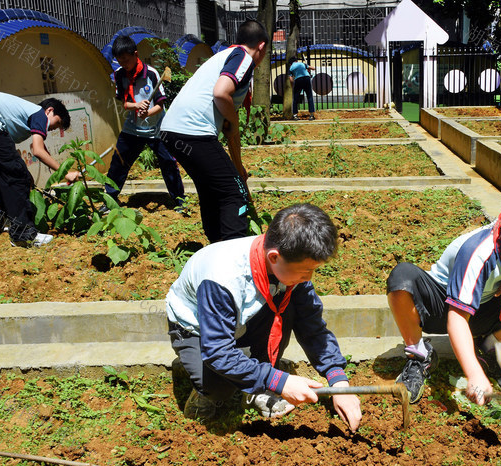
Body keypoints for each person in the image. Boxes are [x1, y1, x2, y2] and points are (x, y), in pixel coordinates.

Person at [166, 203, 362, 431]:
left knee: (292, 305)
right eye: (305, 270)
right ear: (274, 257)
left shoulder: (287, 265)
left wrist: (339, 380)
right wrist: (280, 381)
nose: (309, 277)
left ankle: (258, 379)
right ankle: (208, 381)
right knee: (220, 385)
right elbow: (218, 351)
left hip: (242, 318)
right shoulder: (223, 278)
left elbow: (313, 327)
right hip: (196, 328)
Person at [385, 177, 501, 405]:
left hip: (480, 308)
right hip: (442, 307)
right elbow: (456, 318)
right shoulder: (477, 252)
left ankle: (488, 347)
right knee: (402, 278)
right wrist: (473, 374)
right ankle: (419, 355)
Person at [159, 20, 268, 243]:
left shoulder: (222, 58)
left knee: (212, 190)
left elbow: (230, 131)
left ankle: (216, 245)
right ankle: (232, 251)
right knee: (233, 194)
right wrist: (234, 118)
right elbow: (221, 94)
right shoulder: (243, 58)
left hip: (172, 132)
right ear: (262, 47)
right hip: (193, 131)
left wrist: (239, 169)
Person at [0, 92, 80, 248]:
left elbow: (32, 148)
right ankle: (23, 234)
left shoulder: (26, 114)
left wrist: (25, 173)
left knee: (4, 173)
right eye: (56, 123)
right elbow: (37, 150)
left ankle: (9, 223)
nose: (52, 129)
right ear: (49, 111)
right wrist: (66, 173)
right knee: (17, 175)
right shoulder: (39, 114)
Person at [103, 36, 186, 211]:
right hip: (132, 129)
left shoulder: (152, 74)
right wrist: (137, 106)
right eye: (120, 61)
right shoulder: (119, 75)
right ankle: (109, 200)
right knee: (119, 163)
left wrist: (147, 112)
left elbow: (160, 104)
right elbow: (124, 103)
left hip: (157, 129)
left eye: (126, 60)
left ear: (135, 54)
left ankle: (179, 200)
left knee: (168, 163)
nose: (124, 64)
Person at [287, 55, 316, 120]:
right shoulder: (302, 64)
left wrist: (292, 86)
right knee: (309, 96)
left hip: (298, 80)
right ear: (296, 61)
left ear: (290, 63)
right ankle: (311, 115)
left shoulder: (291, 68)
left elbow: (291, 79)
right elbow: (313, 68)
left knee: (295, 98)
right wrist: (308, 68)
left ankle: (295, 115)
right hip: (306, 78)